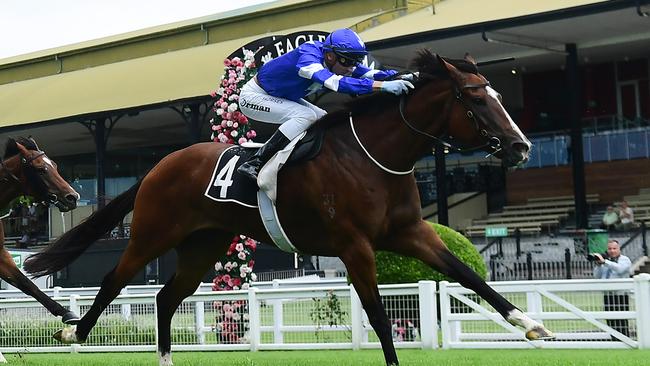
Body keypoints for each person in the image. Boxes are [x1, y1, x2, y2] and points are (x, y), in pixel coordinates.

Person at [236, 28, 415, 181]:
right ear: (329, 56)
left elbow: (366, 73)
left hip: (281, 95)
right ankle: (256, 163)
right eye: (347, 61)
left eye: (355, 61)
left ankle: (302, 161)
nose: (351, 67)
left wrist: (398, 76)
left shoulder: (336, 59)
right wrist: (383, 87)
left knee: (321, 117)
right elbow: (337, 83)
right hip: (254, 96)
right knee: (305, 116)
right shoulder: (308, 58)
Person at [592, 239, 631, 338]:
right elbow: (597, 276)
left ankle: (624, 339)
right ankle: (614, 339)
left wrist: (605, 262)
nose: (612, 251)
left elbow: (620, 269)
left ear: (619, 249)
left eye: (614, 248)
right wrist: (599, 265)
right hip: (608, 294)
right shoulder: (606, 262)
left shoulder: (624, 259)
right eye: (610, 248)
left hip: (620, 294)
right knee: (610, 319)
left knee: (621, 319)